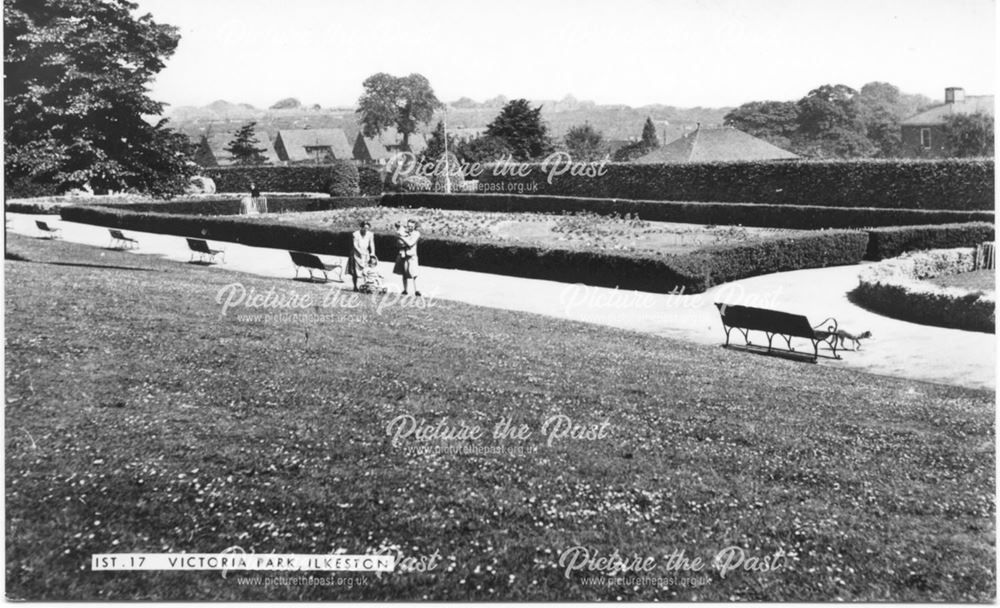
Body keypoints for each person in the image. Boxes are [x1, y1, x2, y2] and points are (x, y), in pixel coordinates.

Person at [393, 219, 421, 296]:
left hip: (412, 256)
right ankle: (405, 290)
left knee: (414, 273)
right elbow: (398, 243)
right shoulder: (404, 232)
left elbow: (410, 243)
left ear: (415, 226)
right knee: (404, 273)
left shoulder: (416, 233)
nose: (410, 227)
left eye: (411, 226)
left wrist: (401, 238)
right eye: (408, 226)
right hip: (404, 255)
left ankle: (417, 290)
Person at [347, 220, 376, 291]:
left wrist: (372, 252)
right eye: (365, 228)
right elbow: (355, 244)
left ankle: (366, 286)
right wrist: (360, 252)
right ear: (361, 227)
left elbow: (372, 244)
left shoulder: (370, 234)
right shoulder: (355, 234)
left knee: (366, 270)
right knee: (355, 272)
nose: (366, 230)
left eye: (367, 228)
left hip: (365, 253)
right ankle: (355, 286)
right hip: (356, 254)